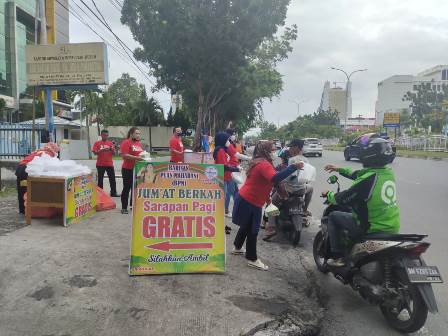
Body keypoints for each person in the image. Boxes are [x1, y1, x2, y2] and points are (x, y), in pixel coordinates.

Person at [322, 137, 400, 267]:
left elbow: (343, 198)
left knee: (334, 216)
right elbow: (359, 174)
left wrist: (328, 194)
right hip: (392, 226)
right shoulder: (387, 173)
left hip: (372, 227)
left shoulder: (367, 180)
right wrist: (339, 169)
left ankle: (338, 257)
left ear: (367, 156)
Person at [232, 141, 304, 271]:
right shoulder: (264, 164)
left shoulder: (258, 161)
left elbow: (260, 183)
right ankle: (252, 258)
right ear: (266, 151)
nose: (274, 152)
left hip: (247, 198)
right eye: (272, 150)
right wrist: (293, 167)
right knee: (253, 230)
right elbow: (275, 178)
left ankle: (237, 247)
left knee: (246, 226)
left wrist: (268, 199)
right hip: (251, 201)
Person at [263, 139, 314, 241]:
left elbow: (289, 177)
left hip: (289, 190)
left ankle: (272, 227)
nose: (289, 149)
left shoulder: (291, 160)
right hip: (302, 189)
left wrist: (279, 179)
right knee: (311, 188)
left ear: (296, 148)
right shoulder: (306, 160)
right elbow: (308, 177)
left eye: (291, 147)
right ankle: (304, 210)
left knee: (272, 204)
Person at [15, 142, 60, 214]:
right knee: (31, 189)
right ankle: (33, 211)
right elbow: (47, 167)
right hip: (27, 169)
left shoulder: (38, 151)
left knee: (21, 189)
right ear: (53, 150)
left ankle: (22, 210)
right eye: (56, 151)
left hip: (20, 168)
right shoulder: (47, 154)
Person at [213, 132, 240, 234]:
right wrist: (236, 169)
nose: (228, 142)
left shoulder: (221, 149)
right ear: (223, 140)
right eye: (227, 140)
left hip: (222, 178)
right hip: (222, 178)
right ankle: (220, 226)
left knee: (221, 202)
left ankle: (221, 225)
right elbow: (224, 166)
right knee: (221, 203)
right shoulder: (220, 151)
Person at [223, 129, 250, 218]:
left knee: (235, 191)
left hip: (232, 169)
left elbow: (236, 155)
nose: (234, 136)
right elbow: (236, 155)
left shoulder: (229, 144)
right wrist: (249, 158)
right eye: (233, 134)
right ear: (229, 135)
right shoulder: (226, 144)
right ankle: (226, 210)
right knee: (230, 192)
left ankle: (238, 209)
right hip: (230, 171)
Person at [120, 127, 144, 214]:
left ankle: (132, 205)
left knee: (135, 188)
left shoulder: (138, 143)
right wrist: (136, 158)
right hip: (127, 169)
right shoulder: (126, 142)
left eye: (139, 134)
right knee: (127, 188)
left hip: (137, 169)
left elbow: (140, 154)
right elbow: (124, 155)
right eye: (137, 133)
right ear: (131, 134)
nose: (138, 135)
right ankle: (124, 207)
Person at [92, 130, 118, 197]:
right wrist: (101, 150)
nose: (106, 136)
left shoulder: (110, 143)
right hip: (100, 164)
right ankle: (100, 194)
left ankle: (113, 193)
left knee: (112, 179)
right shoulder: (97, 143)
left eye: (107, 135)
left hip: (109, 164)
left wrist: (112, 149)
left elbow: (114, 153)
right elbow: (95, 152)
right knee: (100, 180)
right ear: (101, 135)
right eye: (104, 135)